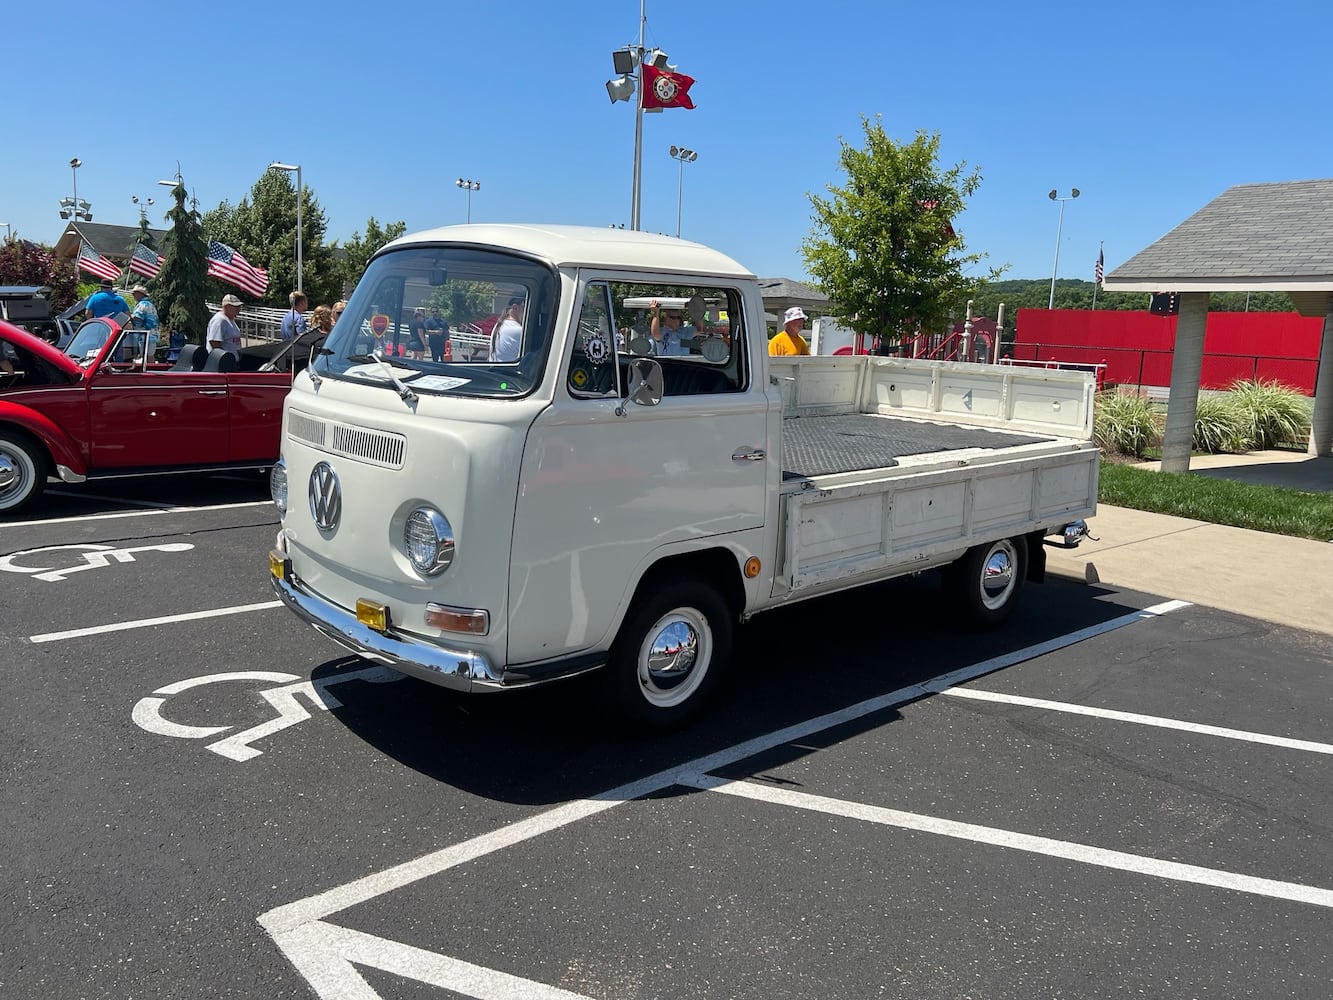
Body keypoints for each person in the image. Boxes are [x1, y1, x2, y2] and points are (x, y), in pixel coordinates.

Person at [126, 284, 160, 360]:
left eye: (134, 294)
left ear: (140, 294)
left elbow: (138, 318)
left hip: (145, 334)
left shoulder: (143, 304)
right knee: (149, 355)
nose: (133, 295)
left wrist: (128, 315)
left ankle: (149, 370)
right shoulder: (149, 304)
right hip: (152, 334)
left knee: (146, 356)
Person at [490, 295, 523, 361]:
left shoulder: (499, 325)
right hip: (509, 370)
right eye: (525, 307)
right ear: (515, 308)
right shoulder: (517, 330)